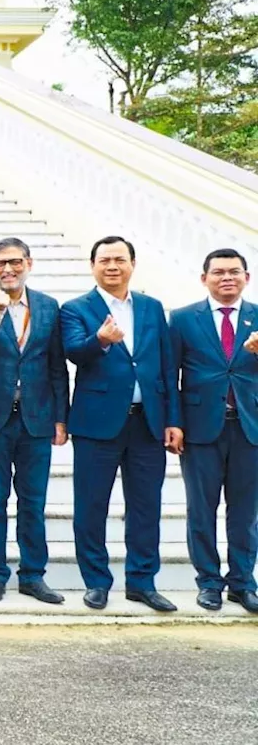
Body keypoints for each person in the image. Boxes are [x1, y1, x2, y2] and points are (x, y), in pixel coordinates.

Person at [61, 235, 182, 612]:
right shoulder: (76, 308)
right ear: (93, 266)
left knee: (146, 506)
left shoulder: (150, 307)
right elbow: (73, 352)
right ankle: (96, 582)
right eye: (104, 260)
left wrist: (172, 419)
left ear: (132, 264)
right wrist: (100, 340)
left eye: (119, 260)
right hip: (96, 424)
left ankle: (142, 581)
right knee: (91, 506)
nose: (112, 266)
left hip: (147, 424)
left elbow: (166, 367)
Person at [0, 238, 69, 605]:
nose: (7, 269)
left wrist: (60, 417)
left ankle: (33, 575)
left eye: (14, 262)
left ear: (29, 263)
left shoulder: (48, 306)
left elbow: (57, 366)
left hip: (36, 419)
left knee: (33, 502)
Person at [168, 248, 258, 614]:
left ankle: (242, 583)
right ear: (204, 278)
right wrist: (173, 422)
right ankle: (208, 582)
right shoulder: (184, 318)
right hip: (200, 429)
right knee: (201, 511)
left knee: (246, 513)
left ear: (246, 278)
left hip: (250, 429)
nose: (227, 278)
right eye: (218, 272)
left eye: (234, 272)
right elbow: (169, 375)